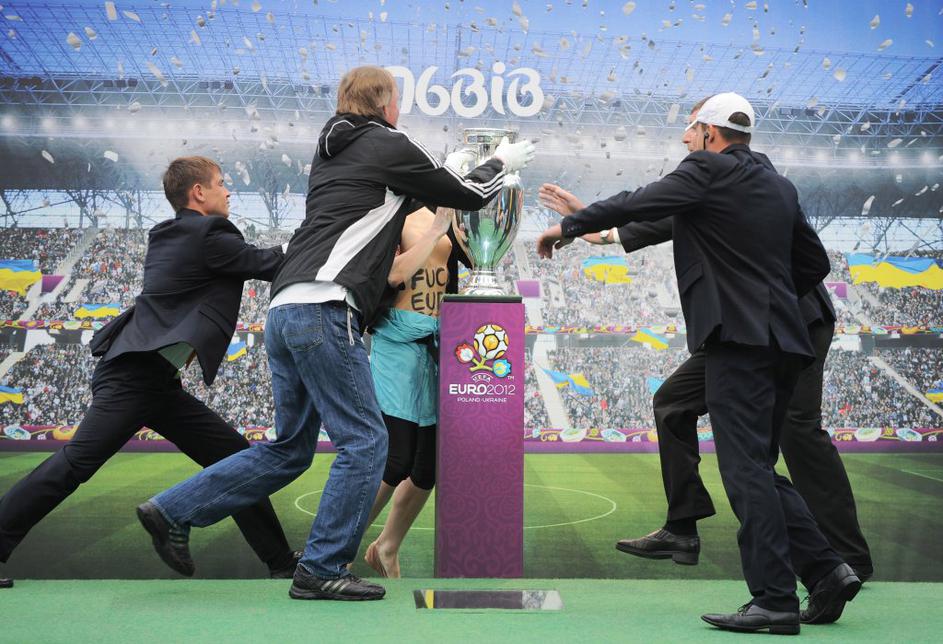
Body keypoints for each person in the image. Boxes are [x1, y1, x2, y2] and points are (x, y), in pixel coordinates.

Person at [138, 65, 535, 602]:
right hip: (326, 307)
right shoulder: (387, 142)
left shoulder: (332, 151)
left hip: (285, 307)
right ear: (388, 103)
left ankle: (172, 510)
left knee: (288, 450)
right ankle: (321, 567)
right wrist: (501, 162)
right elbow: (461, 191)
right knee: (367, 441)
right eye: (398, 102)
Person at [536, 93, 859, 634]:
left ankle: (775, 600)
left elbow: (642, 199)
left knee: (745, 470)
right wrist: (770, 300)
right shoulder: (778, 186)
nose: (684, 141)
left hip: (738, 342)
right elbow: (814, 262)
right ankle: (827, 570)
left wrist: (569, 226)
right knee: (753, 461)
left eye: (689, 131)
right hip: (784, 342)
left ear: (711, 134)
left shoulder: (707, 169)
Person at [0, 156, 298, 588]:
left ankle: (279, 560)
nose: (229, 191)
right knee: (74, 465)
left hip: (155, 381)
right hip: (133, 378)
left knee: (235, 458)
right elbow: (267, 263)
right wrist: (317, 240)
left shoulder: (172, 233)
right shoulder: (209, 232)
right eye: (221, 183)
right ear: (198, 192)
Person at [362, 205, 462, 578]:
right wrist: (437, 229)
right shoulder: (390, 216)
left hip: (435, 341)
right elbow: (393, 274)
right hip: (397, 339)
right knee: (396, 457)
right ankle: (332, 547)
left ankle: (386, 547)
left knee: (428, 466)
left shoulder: (443, 214)